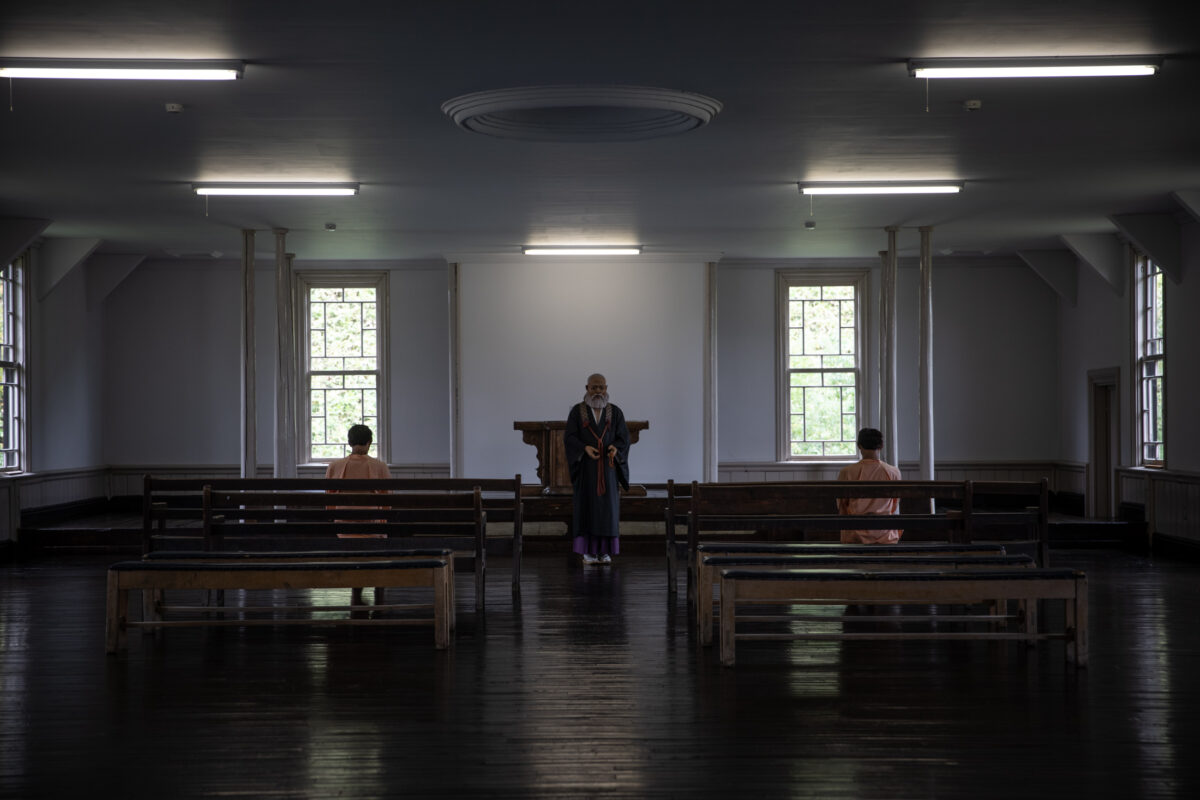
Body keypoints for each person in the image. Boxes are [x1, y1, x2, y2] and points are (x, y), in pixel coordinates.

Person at [563, 373, 630, 565]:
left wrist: (615, 449)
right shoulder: (577, 412)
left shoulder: (615, 412)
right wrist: (584, 448)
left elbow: (624, 438)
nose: (598, 391)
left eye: (601, 387)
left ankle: (604, 552)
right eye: (594, 387)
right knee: (586, 508)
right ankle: (588, 553)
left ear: (607, 388)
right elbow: (569, 438)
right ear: (587, 389)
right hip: (586, 470)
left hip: (608, 471)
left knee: (607, 511)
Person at [325, 424, 390, 604]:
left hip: (344, 529)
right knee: (378, 528)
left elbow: (329, 503)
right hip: (374, 529)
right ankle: (378, 584)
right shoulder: (380, 466)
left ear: (349, 442)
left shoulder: (335, 466)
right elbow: (388, 503)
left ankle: (356, 585)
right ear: (369, 442)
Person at [836, 427, 902, 544]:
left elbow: (842, 505)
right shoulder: (893, 472)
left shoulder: (846, 472)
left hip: (855, 533)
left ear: (859, 446)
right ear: (881, 446)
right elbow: (894, 504)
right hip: (885, 534)